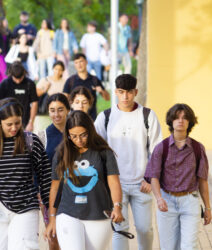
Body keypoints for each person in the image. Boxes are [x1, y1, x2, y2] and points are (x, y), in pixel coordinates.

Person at [0, 98, 52, 250]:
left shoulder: (31, 141)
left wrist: (50, 209)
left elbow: (45, 177)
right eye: (9, 124)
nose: (14, 128)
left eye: (18, 123)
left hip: (26, 206)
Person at [94, 74, 162, 250]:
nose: (125, 97)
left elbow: (156, 150)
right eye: (121, 92)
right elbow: (96, 150)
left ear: (136, 92)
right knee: (119, 229)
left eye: (129, 92)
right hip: (116, 184)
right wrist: (104, 180)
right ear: (115, 92)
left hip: (142, 184)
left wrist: (150, 177)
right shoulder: (106, 117)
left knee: (144, 229)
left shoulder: (148, 115)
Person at [44, 111, 124, 250]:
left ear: (90, 131)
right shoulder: (61, 153)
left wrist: (117, 206)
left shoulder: (104, 152)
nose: (79, 140)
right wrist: (52, 218)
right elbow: (55, 188)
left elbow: (114, 182)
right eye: (73, 136)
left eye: (83, 135)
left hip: (99, 214)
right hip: (67, 213)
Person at [144, 104, 211, 249]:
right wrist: (159, 198)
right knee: (169, 247)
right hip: (166, 202)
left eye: (185, 118)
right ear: (171, 121)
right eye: (177, 117)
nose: (180, 120)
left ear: (190, 122)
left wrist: (207, 208)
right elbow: (154, 176)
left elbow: (202, 180)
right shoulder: (161, 147)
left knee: (189, 246)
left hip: (190, 202)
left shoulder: (198, 148)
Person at [37, 94, 70, 250]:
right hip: (50, 194)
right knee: (54, 237)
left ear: (68, 110)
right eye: (52, 110)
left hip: (75, 192)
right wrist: (39, 192)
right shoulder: (42, 136)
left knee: (72, 236)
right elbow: (37, 167)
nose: (56, 114)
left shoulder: (76, 133)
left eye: (60, 110)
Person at [63, 53, 110, 120]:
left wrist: (101, 91)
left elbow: (107, 98)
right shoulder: (70, 81)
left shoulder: (94, 80)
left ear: (86, 62)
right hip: (75, 118)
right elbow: (64, 100)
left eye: (81, 61)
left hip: (92, 119)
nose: (79, 65)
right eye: (76, 62)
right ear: (74, 65)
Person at [0, 61, 38, 131]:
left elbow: (34, 102)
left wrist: (31, 122)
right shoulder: (5, 84)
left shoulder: (30, 84)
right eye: (16, 78)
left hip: (24, 120)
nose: (18, 81)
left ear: (24, 74)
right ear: (11, 75)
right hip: (8, 119)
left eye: (20, 78)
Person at [0, 17, 12, 83]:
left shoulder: (7, 31)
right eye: (5, 21)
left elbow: (13, 37)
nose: (6, 23)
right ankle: (6, 82)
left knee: (0, 70)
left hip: (6, 53)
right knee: (3, 68)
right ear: (1, 22)